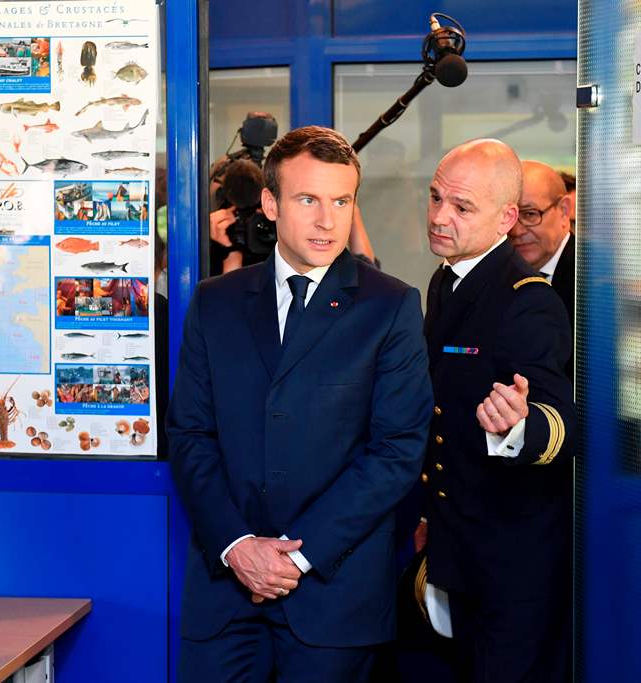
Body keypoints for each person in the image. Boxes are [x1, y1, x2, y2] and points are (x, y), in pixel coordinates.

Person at [168, 125, 433, 681]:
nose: (327, 219)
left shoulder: (390, 307)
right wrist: (239, 546)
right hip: (225, 593)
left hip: (334, 598)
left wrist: (294, 557)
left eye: (341, 201)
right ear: (270, 204)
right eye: (308, 199)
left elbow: (396, 452)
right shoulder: (216, 303)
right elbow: (190, 434)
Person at [416, 139, 574, 682]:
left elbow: (559, 420)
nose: (439, 217)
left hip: (511, 559)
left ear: (506, 218)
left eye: (461, 208)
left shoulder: (528, 299)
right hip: (457, 542)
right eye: (435, 198)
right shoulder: (448, 279)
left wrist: (518, 427)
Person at [510, 159, 575, 378]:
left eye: (529, 214)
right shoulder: (498, 275)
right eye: (510, 217)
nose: (517, 231)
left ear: (564, 211)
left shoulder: (592, 275)